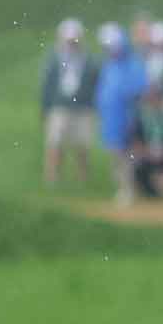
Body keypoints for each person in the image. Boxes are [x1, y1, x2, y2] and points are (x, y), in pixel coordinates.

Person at [94, 23, 150, 206]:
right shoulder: (109, 65)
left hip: (126, 117)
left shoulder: (132, 64)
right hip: (111, 118)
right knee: (116, 155)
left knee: (127, 156)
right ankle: (123, 188)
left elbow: (139, 88)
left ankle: (130, 189)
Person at [39, 18, 99, 186]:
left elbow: (95, 84)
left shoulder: (89, 60)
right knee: (55, 143)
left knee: (82, 144)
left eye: (74, 40)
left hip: (83, 108)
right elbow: (47, 85)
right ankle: (52, 177)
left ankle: (82, 177)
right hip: (60, 107)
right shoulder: (53, 59)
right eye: (68, 40)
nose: (72, 44)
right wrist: (45, 109)